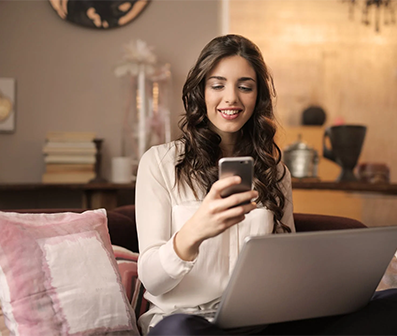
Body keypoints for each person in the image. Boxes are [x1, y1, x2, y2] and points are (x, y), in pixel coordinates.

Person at [135, 34, 397, 335]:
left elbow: (285, 265)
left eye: (245, 87)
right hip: (185, 321)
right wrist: (195, 231)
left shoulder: (276, 173)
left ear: (257, 97)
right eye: (218, 85)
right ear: (201, 93)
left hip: (258, 323)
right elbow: (152, 279)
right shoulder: (160, 163)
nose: (231, 98)